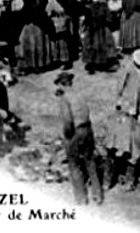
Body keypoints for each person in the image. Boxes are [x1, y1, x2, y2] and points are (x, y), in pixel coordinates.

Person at [55, 71, 103, 205]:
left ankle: (81, 197)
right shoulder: (80, 95)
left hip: (76, 132)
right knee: (90, 161)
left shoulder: (65, 99)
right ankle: (97, 194)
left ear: (62, 84)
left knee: (74, 164)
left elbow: (67, 120)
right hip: (88, 129)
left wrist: (67, 137)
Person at [112, 49, 140, 189]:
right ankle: (124, 169)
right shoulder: (128, 69)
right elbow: (120, 87)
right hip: (128, 106)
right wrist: (120, 102)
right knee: (126, 139)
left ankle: (133, 173)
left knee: (137, 139)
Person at [81, 0, 118, 73]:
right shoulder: (104, 7)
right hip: (101, 29)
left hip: (91, 29)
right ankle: (102, 64)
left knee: (90, 45)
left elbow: (87, 19)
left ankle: (91, 64)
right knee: (103, 45)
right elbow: (109, 19)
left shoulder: (90, 6)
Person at [47, 0, 73, 70]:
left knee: (62, 45)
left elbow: (49, 14)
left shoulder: (54, 5)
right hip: (60, 26)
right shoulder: (54, 4)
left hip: (61, 27)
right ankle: (59, 61)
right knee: (58, 44)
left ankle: (64, 62)